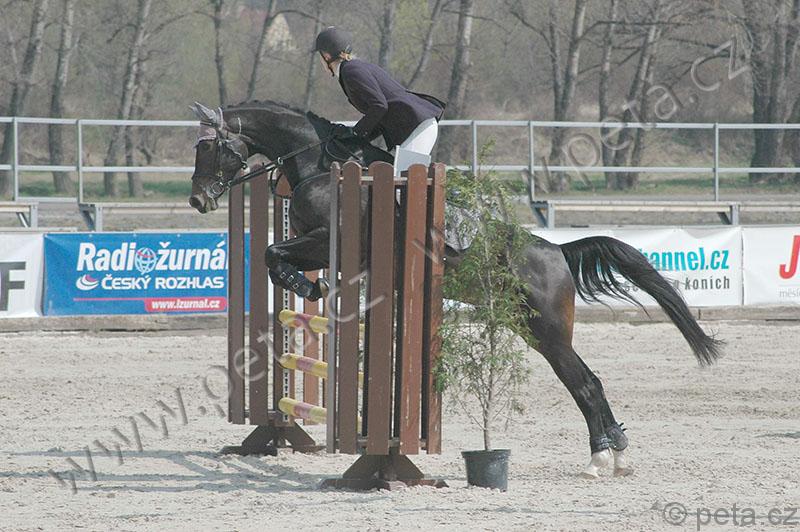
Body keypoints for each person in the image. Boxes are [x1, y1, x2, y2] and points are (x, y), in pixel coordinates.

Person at [312, 26, 446, 156]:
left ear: (326, 56)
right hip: (414, 125)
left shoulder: (350, 71)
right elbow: (378, 114)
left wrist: (355, 133)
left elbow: (379, 106)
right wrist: (356, 138)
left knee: (402, 172)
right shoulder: (351, 68)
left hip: (417, 125)